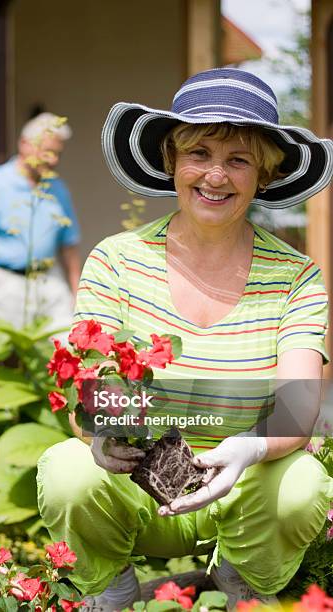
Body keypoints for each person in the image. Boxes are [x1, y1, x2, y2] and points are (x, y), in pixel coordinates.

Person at [36, 69, 333, 610]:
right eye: (199, 152)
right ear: (172, 160)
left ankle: (240, 582)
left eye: (239, 160)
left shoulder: (296, 275)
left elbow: (298, 405)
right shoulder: (117, 260)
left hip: (243, 487)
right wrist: (103, 435)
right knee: (67, 471)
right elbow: (87, 384)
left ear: (263, 176)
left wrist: (247, 449)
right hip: (138, 486)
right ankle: (110, 589)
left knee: (302, 484)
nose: (215, 176)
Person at [0, 112, 81, 331]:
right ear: (25, 145)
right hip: (4, 283)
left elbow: (69, 247)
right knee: (9, 355)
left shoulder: (58, 188)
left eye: (57, 154)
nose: (53, 160)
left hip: (50, 281)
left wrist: (77, 295)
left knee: (64, 345)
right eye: (48, 152)